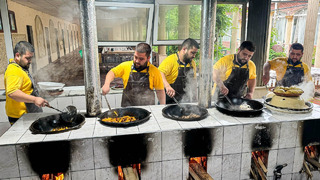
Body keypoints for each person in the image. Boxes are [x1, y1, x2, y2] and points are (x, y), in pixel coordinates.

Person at [102, 42, 165, 107]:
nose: (137, 61)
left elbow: (160, 91)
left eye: (141, 59)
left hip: (147, 109)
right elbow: (112, 73)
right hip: (127, 109)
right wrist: (106, 84)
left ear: (148, 58)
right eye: (135, 57)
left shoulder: (154, 71)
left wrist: (162, 107)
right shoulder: (125, 66)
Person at [4, 41, 48, 125]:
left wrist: (50, 94)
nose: (30, 61)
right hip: (20, 118)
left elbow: (27, 90)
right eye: (27, 58)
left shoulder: (20, 68)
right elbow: (12, 92)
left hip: (28, 114)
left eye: (31, 58)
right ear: (17, 55)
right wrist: (35, 99)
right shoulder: (13, 71)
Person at [158, 38, 199, 104]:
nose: (194, 56)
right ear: (184, 49)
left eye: (195, 53)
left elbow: (193, 81)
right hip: (168, 100)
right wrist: (167, 86)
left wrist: (195, 98)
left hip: (184, 100)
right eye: (192, 53)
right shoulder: (171, 60)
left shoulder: (192, 63)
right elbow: (159, 73)